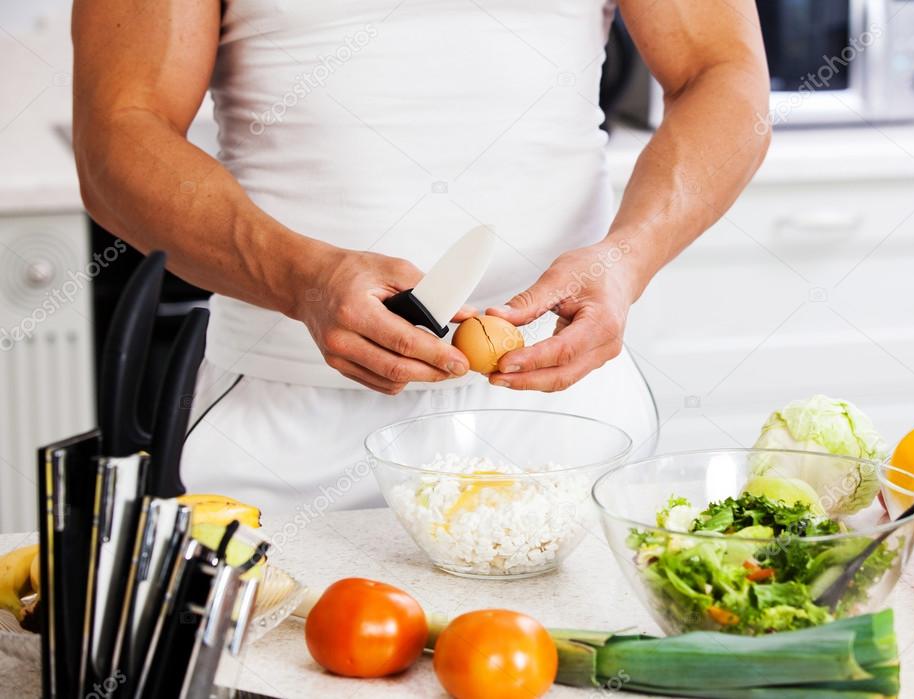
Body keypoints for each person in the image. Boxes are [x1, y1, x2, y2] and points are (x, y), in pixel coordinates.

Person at [71, 0, 770, 513]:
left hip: (566, 418)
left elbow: (723, 73)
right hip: (286, 425)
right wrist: (301, 277)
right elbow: (117, 135)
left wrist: (626, 258)